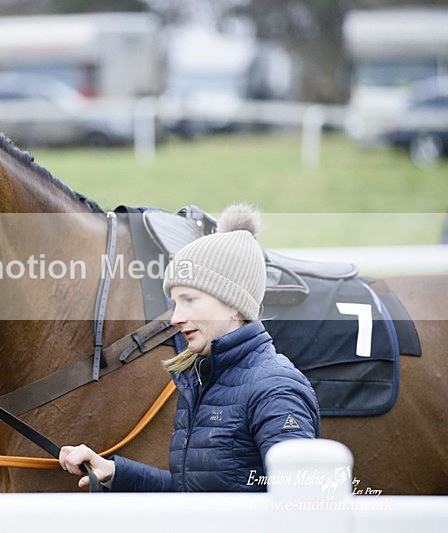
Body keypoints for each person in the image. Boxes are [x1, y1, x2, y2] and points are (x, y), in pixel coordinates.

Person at [59, 203, 320, 492]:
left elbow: (301, 505)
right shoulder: (200, 381)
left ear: (233, 303)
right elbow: (193, 495)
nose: (175, 317)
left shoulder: (276, 388)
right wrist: (113, 472)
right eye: (174, 303)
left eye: (189, 299)